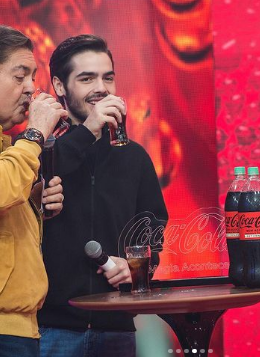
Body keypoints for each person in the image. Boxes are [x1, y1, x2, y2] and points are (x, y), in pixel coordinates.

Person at [38, 34, 168, 357]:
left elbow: (155, 233)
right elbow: (30, 182)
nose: (102, 87)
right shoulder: (38, 149)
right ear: (59, 85)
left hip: (116, 327)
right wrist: (87, 131)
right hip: (51, 328)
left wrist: (139, 268)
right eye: (86, 78)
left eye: (107, 77)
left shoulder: (134, 157)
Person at [0, 24, 68, 357]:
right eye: (20, 77)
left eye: (33, 77)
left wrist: (31, 202)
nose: (31, 89)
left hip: (8, 325)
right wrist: (34, 134)